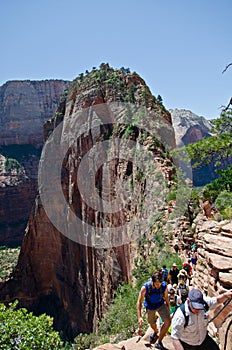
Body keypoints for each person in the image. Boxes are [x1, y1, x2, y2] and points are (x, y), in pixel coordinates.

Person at [137, 271, 171, 349]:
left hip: (160, 304)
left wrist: (168, 308)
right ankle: (156, 331)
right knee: (152, 323)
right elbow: (139, 302)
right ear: (152, 281)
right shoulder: (145, 288)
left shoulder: (163, 286)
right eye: (156, 284)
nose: (158, 286)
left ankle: (159, 342)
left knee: (167, 322)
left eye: (160, 284)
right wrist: (139, 317)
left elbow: (166, 297)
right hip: (150, 306)